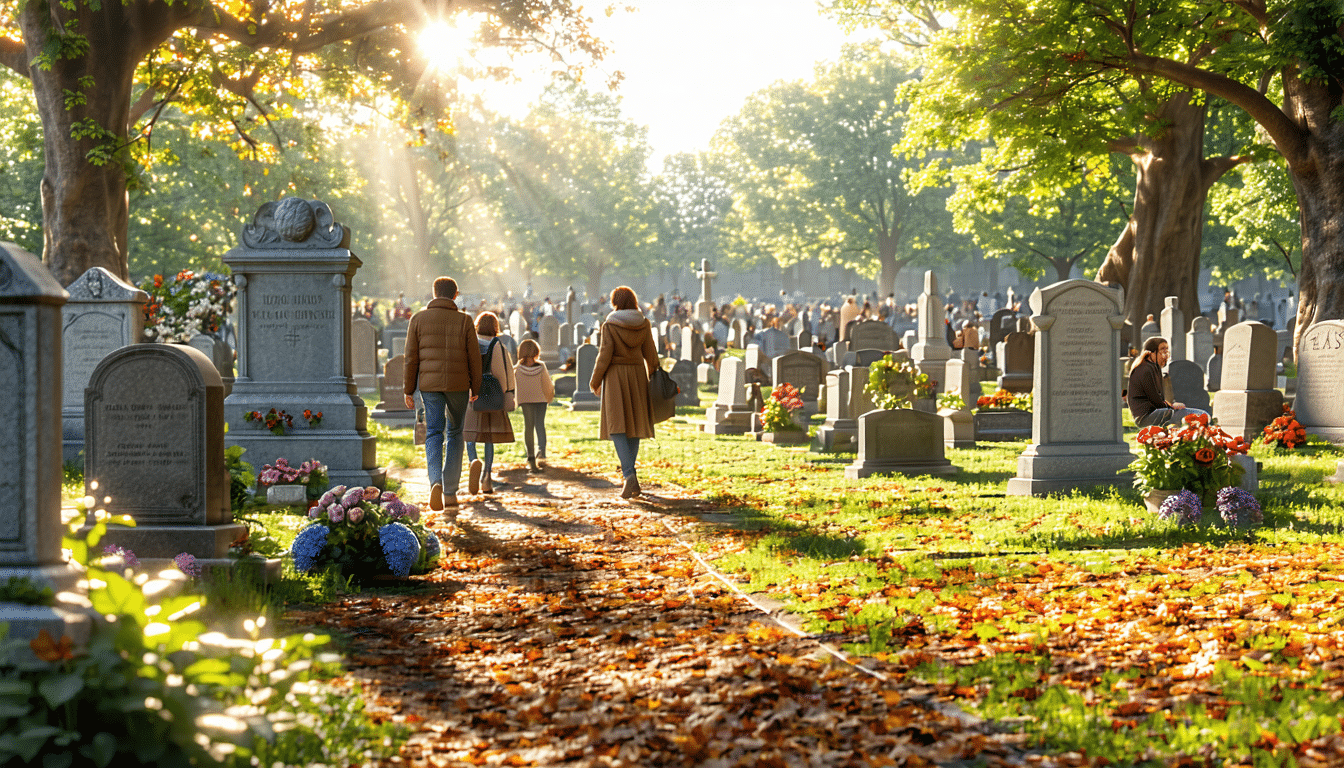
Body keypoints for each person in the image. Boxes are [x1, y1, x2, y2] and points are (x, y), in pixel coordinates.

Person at [404, 277, 481, 513]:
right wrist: (475, 388)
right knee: (456, 433)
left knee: (434, 432)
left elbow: (411, 358)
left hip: (430, 385)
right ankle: (450, 492)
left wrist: (408, 389)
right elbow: (474, 357)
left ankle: (435, 480)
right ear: (455, 295)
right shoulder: (465, 320)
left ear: (434, 292)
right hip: (458, 384)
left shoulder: (418, 319)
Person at [590, 285, 659, 499]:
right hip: (637, 375)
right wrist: (652, 373)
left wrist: (595, 380)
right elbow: (651, 354)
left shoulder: (610, 324)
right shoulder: (644, 323)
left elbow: (605, 354)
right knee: (635, 426)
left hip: (615, 376)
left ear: (615, 302)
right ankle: (632, 478)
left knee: (617, 426)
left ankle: (629, 474)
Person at [464, 311, 515, 495]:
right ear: (495, 327)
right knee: (488, 438)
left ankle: (473, 465)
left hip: (472, 393)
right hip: (492, 395)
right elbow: (504, 371)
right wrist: (507, 392)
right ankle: (486, 476)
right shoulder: (497, 345)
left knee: (469, 435)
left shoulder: (469, 342)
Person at [1127, 336, 1207, 427]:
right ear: (1150, 353)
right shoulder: (1145, 370)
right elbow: (1155, 401)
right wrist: (1173, 406)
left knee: (1196, 416)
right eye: (1162, 350)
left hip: (1155, 413)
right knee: (1202, 415)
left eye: (1166, 350)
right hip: (1146, 417)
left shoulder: (1152, 368)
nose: (1165, 354)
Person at [514, 338, 554, 473]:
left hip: (525, 400)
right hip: (541, 399)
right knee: (540, 424)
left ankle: (530, 456)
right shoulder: (541, 366)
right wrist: (550, 396)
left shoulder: (517, 369)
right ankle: (541, 450)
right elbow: (547, 384)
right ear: (536, 351)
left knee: (528, 426)